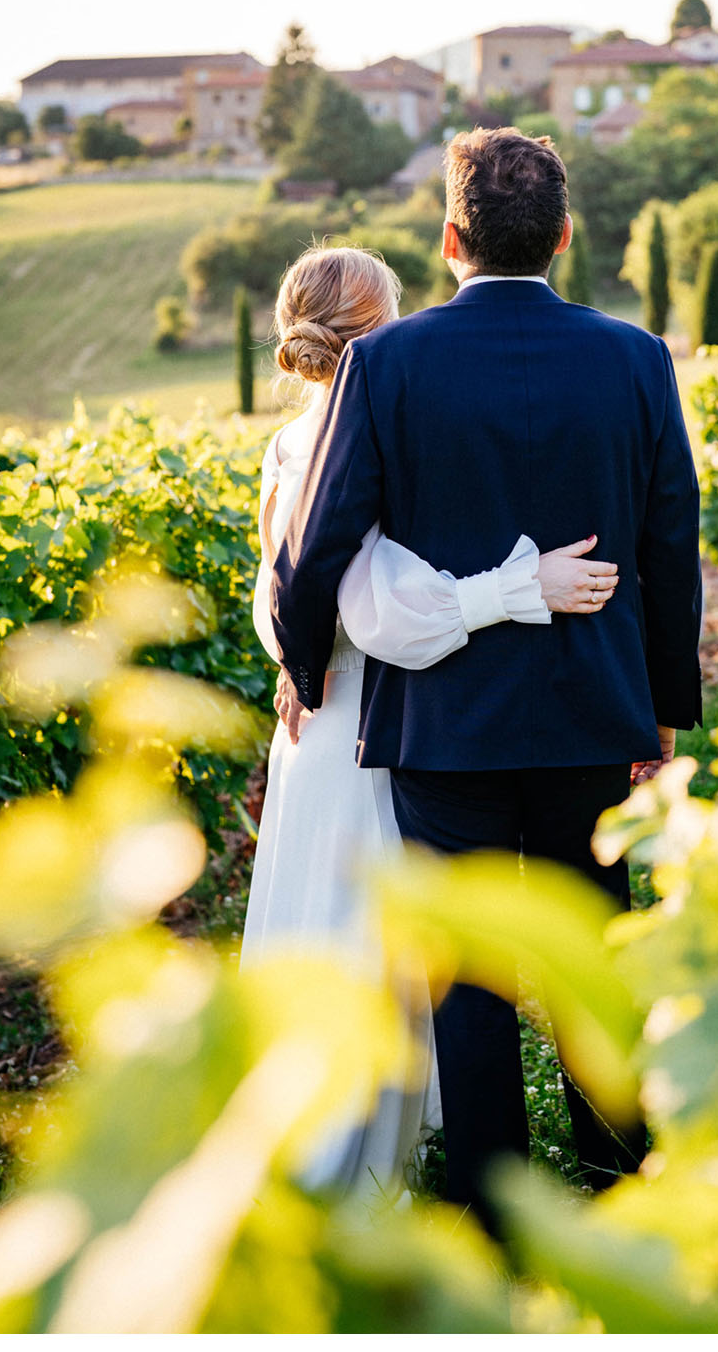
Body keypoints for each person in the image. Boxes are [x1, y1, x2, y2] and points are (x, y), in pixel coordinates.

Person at [272, 129, 704, 1231]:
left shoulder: (388, 362)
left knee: (464, 976)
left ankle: (493, 1221)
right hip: (592, 718)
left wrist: (300, 658)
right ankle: (617, 1192)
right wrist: (661, 710)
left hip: (443, 731)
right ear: (563, 235)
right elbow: (667, 543)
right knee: (590, 956)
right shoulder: (638, 358)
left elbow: (320, 543)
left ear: (450, 237)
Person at [242, 243, 620, 1207]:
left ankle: (399, 1165)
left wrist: (294, 655)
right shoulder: (340, 433)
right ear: (366, 328)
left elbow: (283, 599)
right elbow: (381, 611)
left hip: (334, 722)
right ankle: (348, 1173)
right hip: (374, 725)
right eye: (398, 309)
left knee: (360, 945)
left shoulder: (295, 439)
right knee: (362, 943)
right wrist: (521, 587)